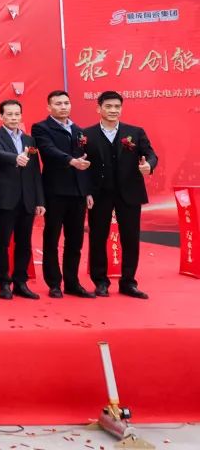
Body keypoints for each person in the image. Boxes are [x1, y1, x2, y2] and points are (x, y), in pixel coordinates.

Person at [82, 91, 158, 299]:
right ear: (99, 108)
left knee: (130, 238)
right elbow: (82, 166)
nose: (113, 110)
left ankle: (128, 282)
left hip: (129, 193)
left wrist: (149, 166)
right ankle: (100, 282)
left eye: (117, 106)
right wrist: (86, 191)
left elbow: (151, 154)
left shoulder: (135, 132)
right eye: (108, 106)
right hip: (99, 194)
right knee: (98, 237)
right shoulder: (86, 135)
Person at [32, 90, 94, 299]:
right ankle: (54, 283)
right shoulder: (41, 128)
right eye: (58, 103)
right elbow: (48, 150)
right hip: (55, 191)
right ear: (49, 107)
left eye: (66, 103)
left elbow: (85, 161)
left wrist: (87, 191)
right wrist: (71, 161)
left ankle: (72, 282)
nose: (63, 107)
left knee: (75, 240)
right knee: (52, 238)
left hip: (77, 193)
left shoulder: (78, 130)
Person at [0, 100, 45, 299]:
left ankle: (21, 282)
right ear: (1, 116)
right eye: (9, 114)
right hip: (5, 198)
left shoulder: (29, 140)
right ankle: (3, 282)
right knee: (2, 242)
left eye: (17, 114)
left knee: (24, 242)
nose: (13, 118)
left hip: (27, 199)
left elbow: (35, 171)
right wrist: (15, 158)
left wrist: (40, 200)